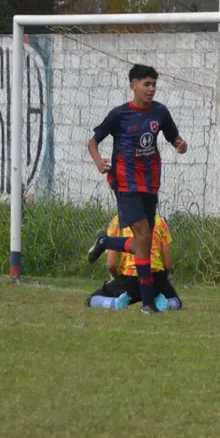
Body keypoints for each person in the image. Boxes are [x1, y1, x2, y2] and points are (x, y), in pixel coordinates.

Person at [86, 64, 187, 314]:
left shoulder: (160, 112)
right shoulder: (119, 115)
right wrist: (99, 161)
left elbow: (173, 136)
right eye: (146, 84)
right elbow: (93, 141)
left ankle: (106, 241)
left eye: (154, 84)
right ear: (133, 85)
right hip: (124, 182)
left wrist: (179, 144)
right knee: (142, 232)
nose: (151, 89)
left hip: (151, 182)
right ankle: (149, 304)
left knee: (144, 240)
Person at [85, 214, 182, 311]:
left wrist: (117, 278)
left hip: (129, 279)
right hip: (155, 277)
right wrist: (165, 279)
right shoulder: (159, 221)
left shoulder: (118, 221)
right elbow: (167, 264)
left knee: (93, 299)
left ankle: (115, 303)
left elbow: (111, 264)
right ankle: (166, 304)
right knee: (176, 301)